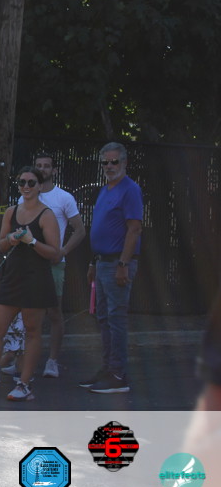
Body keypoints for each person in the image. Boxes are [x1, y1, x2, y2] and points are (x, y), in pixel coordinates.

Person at [0, 166, 61, 401]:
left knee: (32, 331)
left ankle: (24, 384)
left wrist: (32, 241)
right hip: (12, 277)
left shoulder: (47, 215)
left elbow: (55, 253)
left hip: (36, 279)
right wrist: (11, 239)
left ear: (40, 186)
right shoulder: (11, 212)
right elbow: (1, 245)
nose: (26, 187)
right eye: (22, 182)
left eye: (31, 182)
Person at [80, 141, 142, 394]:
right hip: (102, 262)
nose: (109, 166)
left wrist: (123, 264)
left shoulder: (130, 190)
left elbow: (134, 228)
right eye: (105, 162)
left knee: (116, 319)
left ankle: (118, 374)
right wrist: (93, 262)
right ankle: (108, 368)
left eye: (114, 161)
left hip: (118, 262)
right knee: (104, 318)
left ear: (124, 162)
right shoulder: (105, 190)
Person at [18, 151, 87, 378]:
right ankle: (22, 360)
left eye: (46, 166)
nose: (42, 169)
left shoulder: (63, 198)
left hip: (53, 263)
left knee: (54, 312)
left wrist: (63, 251)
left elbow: (80, 230)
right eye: (38, 165)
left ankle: (53, 361)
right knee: (26, 312)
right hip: (28, 263)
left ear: (54, 170)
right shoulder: (25, 196)